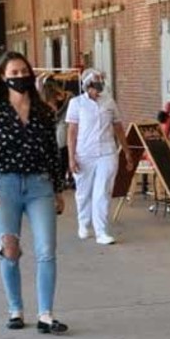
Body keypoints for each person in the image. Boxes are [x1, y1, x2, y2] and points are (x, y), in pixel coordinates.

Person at [0, 51, 69, 334]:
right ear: (3, 78)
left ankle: (46, 314)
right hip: (4, 186)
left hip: (39, 185)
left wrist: (58, 189)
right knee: (10, 249)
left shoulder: (43, 112)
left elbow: (53, 153)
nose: (19, 77)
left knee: (46, 250)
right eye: (13, 73)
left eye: (22, 72)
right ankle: (15, 309)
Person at [66, 68, 125, 244]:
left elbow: (118, 128)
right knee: (84, 192)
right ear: (87, 85)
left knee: (102, 192)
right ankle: (84, 223)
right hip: (84, 153)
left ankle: (102, 231)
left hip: (107, 152)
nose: (99, 85)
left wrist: (127, 150)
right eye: (96, 82)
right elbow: (72, 131)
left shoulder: (109, 102)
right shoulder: (76, 103)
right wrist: (71, 157)